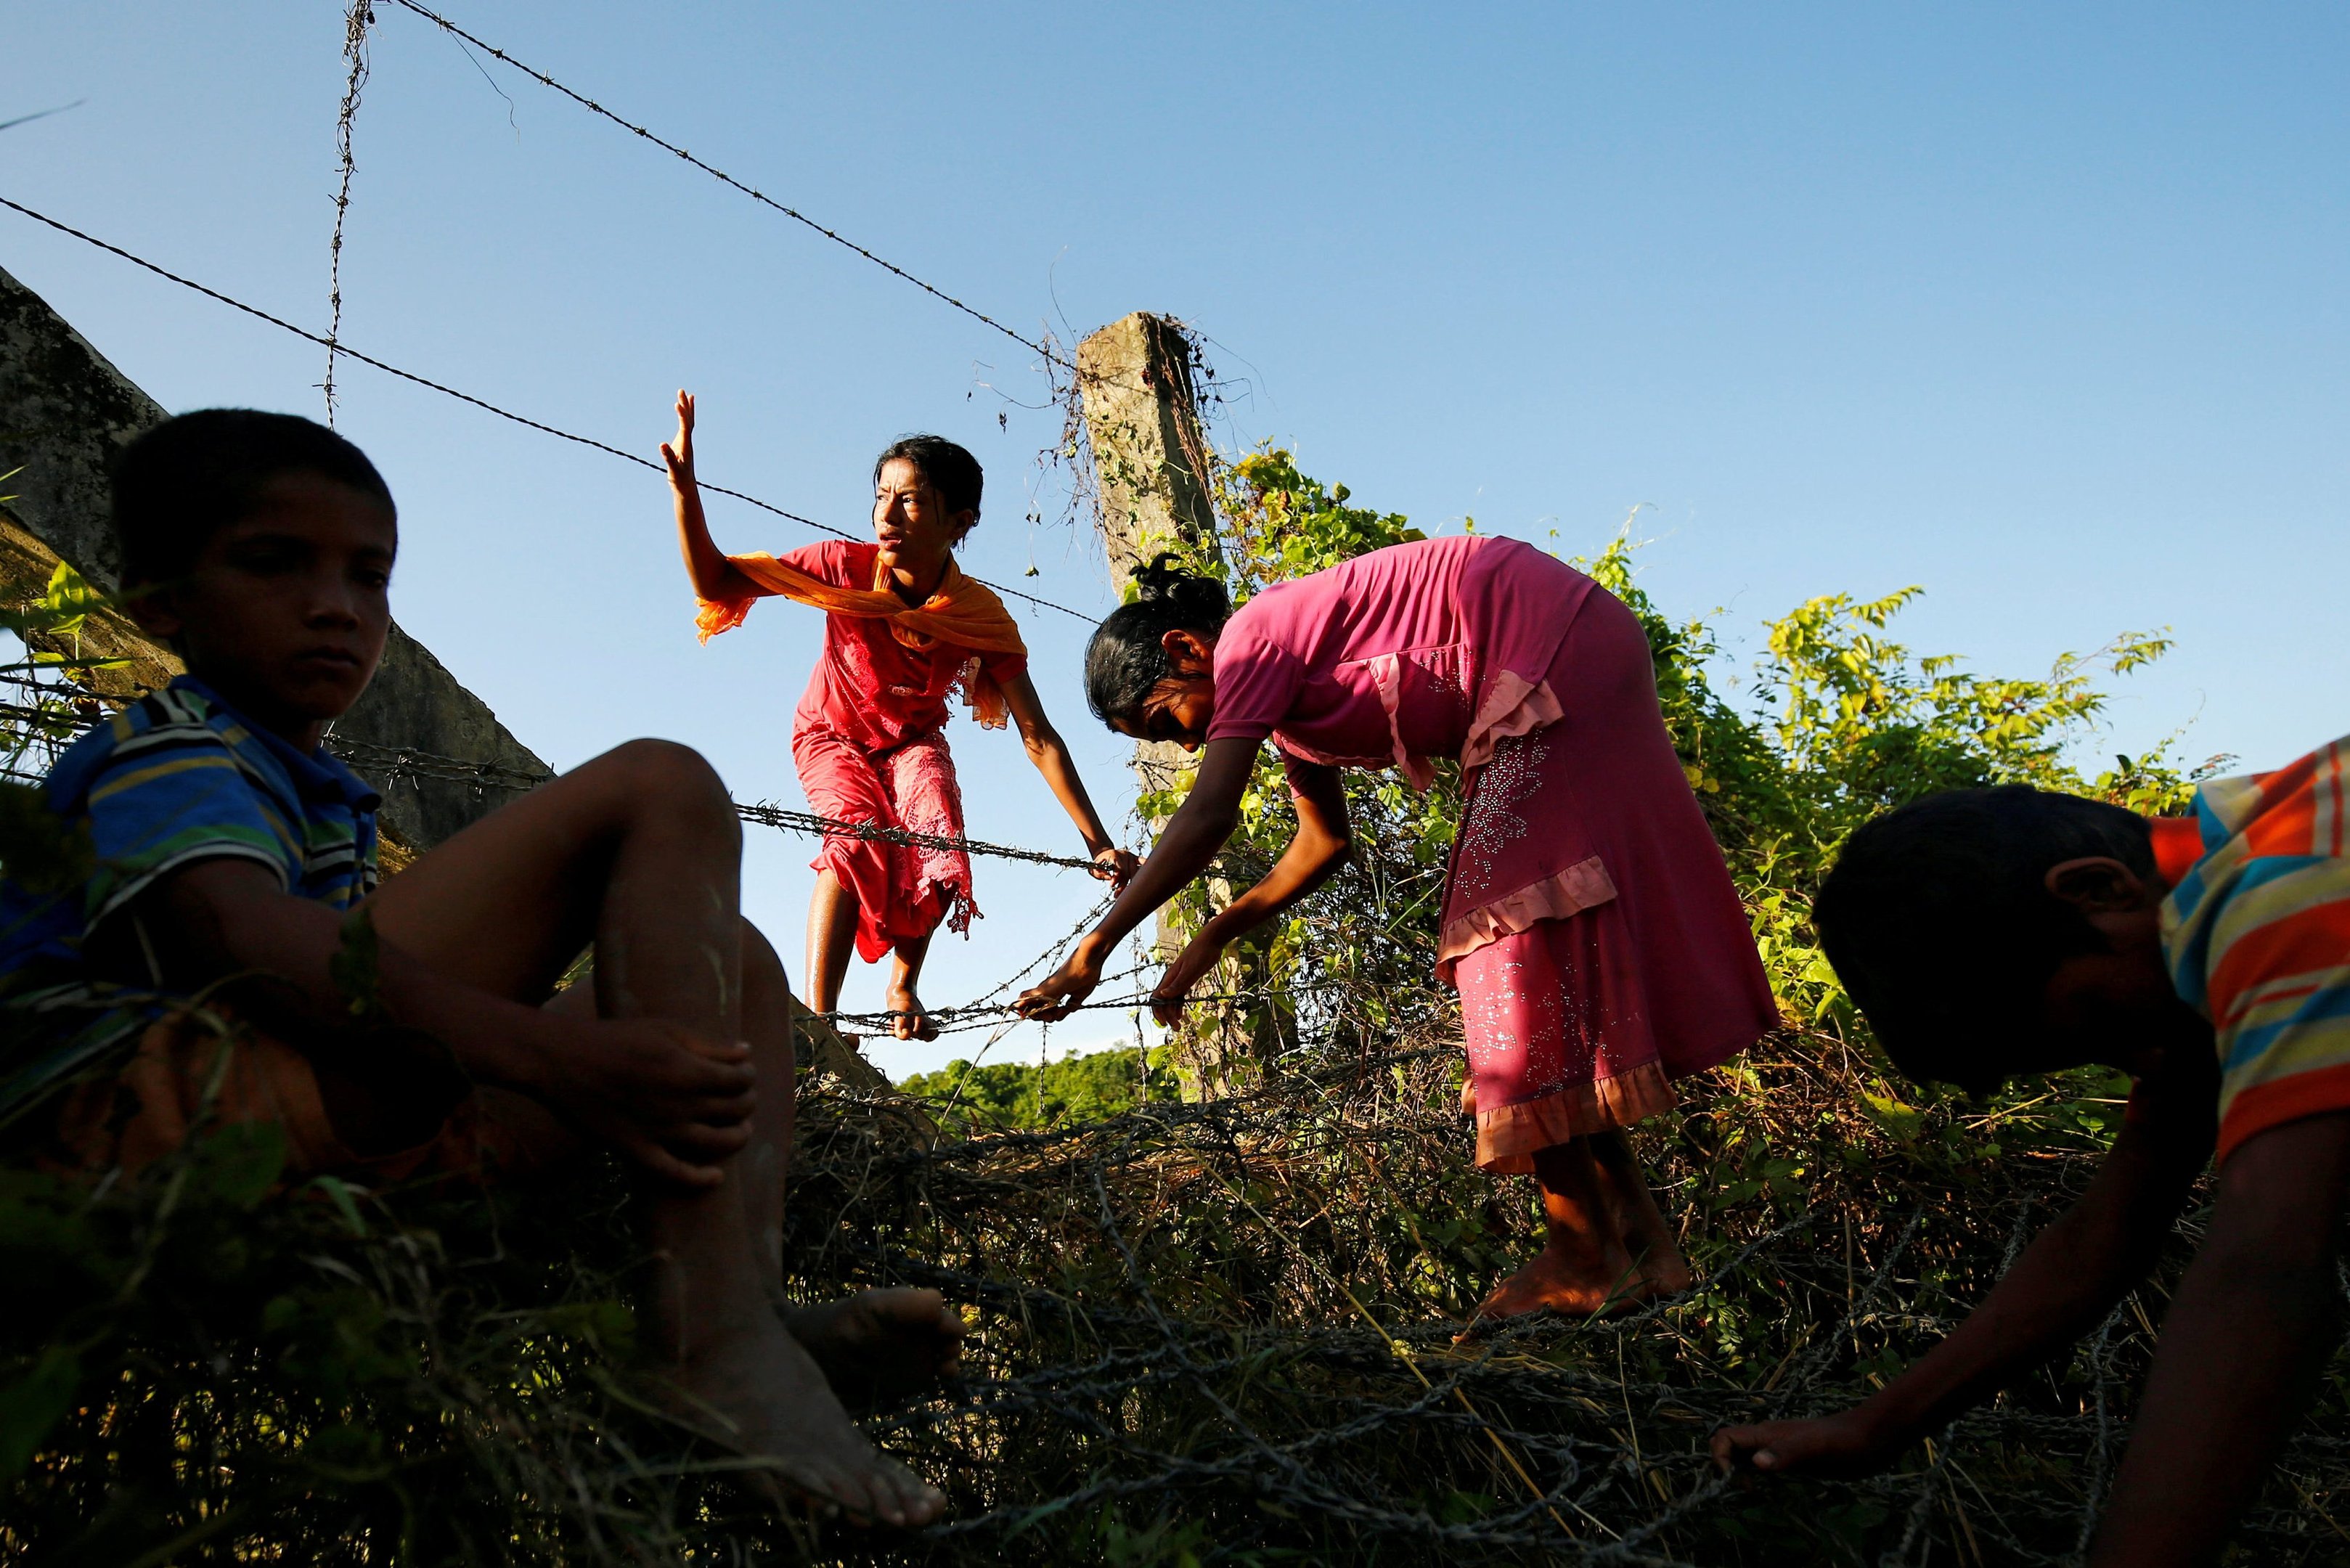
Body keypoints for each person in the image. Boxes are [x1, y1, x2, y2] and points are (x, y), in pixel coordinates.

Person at [0, 409, 958, 1527]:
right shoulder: (170, 744)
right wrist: (548, 1055)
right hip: (120, 1139)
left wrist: (565, 1053)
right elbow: (243, 943)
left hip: (303, 1154)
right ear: (160, 606)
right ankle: (714, 1345)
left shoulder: (312, 794)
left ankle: (735, 1301)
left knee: (737, 963)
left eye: (370, 578)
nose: (336, 607)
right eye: (274, 563)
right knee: (660, 783)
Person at [1016, 540, 1778, 1319]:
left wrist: (1094, 951)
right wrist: (1216, 934)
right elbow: (1323, 844)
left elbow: (1209, 814)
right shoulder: (1287, 709)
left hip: (1543, 645)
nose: (1185, 745)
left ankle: (1584, 1253)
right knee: (1534, 945)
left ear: (1184, 647)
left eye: (1164, 720)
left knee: (1497, 938)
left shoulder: (1252, 640)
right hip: (1571, 642)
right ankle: (1646, 1247)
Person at [1712, 753, 2350, 1566]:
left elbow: (2266, 1273)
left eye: (2105, 1028)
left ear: (2099, 892)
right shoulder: (2233, 865)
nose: (2142, 1064)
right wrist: (1876, 1426)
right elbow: (2111, 1227)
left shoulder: (2286, 897)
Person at [663, 393, 1136, 1041]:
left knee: (938, 831)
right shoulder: (843, 568)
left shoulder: (978, 616)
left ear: (960, 521)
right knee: (856, 837)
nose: (886, 514)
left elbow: (1038, 735)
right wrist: (687, 492)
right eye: (881, 495)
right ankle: (819, 1025)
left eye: (910, 500)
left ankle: (903, 984)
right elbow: (717, 584)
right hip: (831, 735)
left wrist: (1097, 842)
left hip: (912, 739)